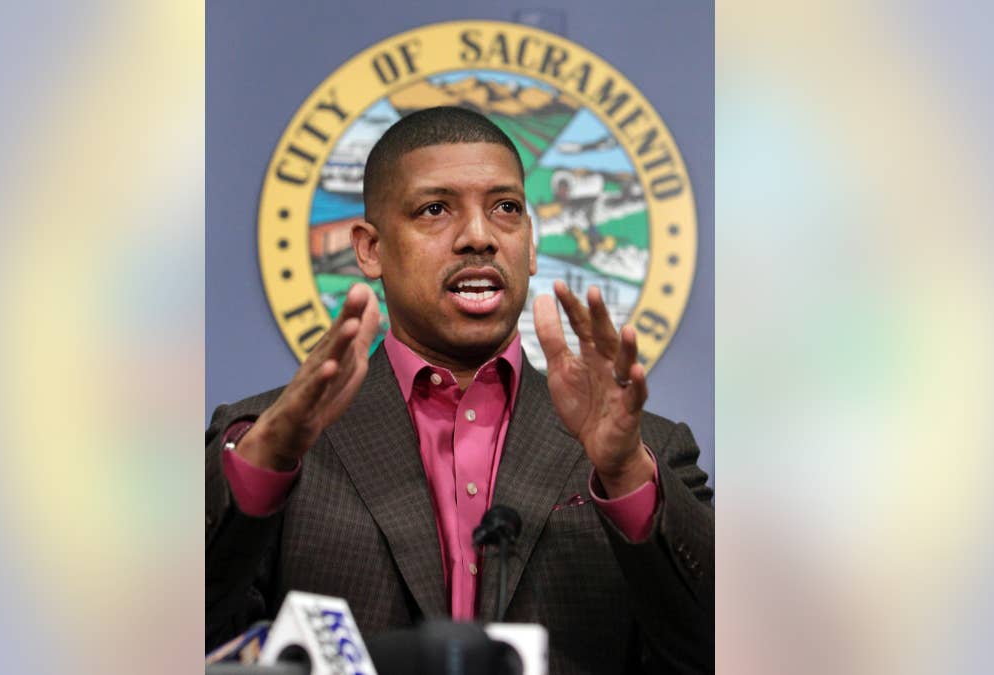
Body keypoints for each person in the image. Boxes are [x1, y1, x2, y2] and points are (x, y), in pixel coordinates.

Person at [206, 106, 713, 673]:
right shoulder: (269, 442)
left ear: (532, 243)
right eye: (435, 209)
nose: (479, 237)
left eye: (506, 209)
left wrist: (624, 478)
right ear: (370, 249)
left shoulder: (649, 454)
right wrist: (264, 464)